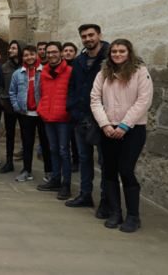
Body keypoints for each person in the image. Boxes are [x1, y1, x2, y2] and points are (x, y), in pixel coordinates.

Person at [91, 39, 152, 233]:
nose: (117, 54)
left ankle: (133, 216)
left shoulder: (140, 72)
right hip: (109, 129)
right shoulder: (103, 72)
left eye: (121, 51)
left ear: (129, 52)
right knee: (109, 170)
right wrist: (105, 124)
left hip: (133, 129)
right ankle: (116, 212)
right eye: (114, 52)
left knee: (125, 170)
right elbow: (94, 100)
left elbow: (144, 100)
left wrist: (125, 125)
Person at [64, 24, 111, 216]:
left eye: (91, 35)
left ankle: (106, 200)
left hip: (102, 118)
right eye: (84, 36)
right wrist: (72, 107)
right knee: (83, 158)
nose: (88, 39)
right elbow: (73, 85)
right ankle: (86, 194)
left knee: (104, 160)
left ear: (99, 35)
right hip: (80, 117)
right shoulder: (79, 60)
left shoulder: (109, 58)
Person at [36, 42, 73, 200]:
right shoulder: (43, 71)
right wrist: (41, 109)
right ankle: (55, 179)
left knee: (64, 151)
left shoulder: (70, 71)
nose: (51, 55)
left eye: (54, 52)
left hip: (63, 117)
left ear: (61, 53)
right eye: (48, 52)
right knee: (52, 149)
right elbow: (42, 93)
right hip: (48, 116)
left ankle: (67, 184)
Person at [9, 45, 45, 182]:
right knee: (27, 144)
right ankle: (26, 171)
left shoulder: (44, 71)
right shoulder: (18, 73)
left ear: (37, 55)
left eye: (31, 54)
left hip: (41, 114)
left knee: (46, 144)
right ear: (22, 57)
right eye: (26, 55)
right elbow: (12, 92)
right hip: (26, 114)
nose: (29, 57)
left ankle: (49, 172)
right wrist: (18, 108)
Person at [0, 40, 26, 173]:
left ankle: (27, 166)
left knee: (26, 136)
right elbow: (1, 85)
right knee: (10, 135)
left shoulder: (27, 66)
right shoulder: (5, 67)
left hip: (24, 108)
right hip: (9, 106)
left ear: (20, 50)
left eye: (13, 48)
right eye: (10, 48)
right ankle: (9, 162)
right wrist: (2, 100)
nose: (10, 50)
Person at [62, 42, 80, 173]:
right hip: (61, 104)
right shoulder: (59, 66)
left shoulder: (78, 66)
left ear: (75, 53)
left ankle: (76, 161)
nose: (68, 52)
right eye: (66, 50)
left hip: (74, 105)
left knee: (74, 137)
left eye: (71, 50)